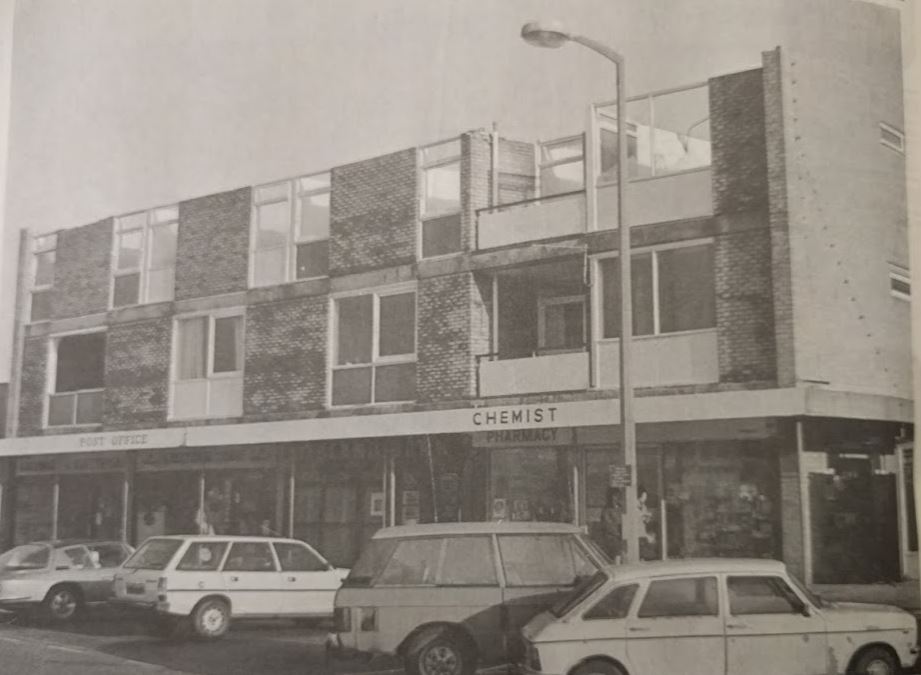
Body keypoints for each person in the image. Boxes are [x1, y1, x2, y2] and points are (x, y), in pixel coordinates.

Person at [599, 488, 623, 562]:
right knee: (617, 554)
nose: (617, 498)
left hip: (621, 536)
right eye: (615, 496)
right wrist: (617, 533)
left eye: (618, 495)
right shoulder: (606, 510)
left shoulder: (620, 507)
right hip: (612, 537)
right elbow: (607, 525)